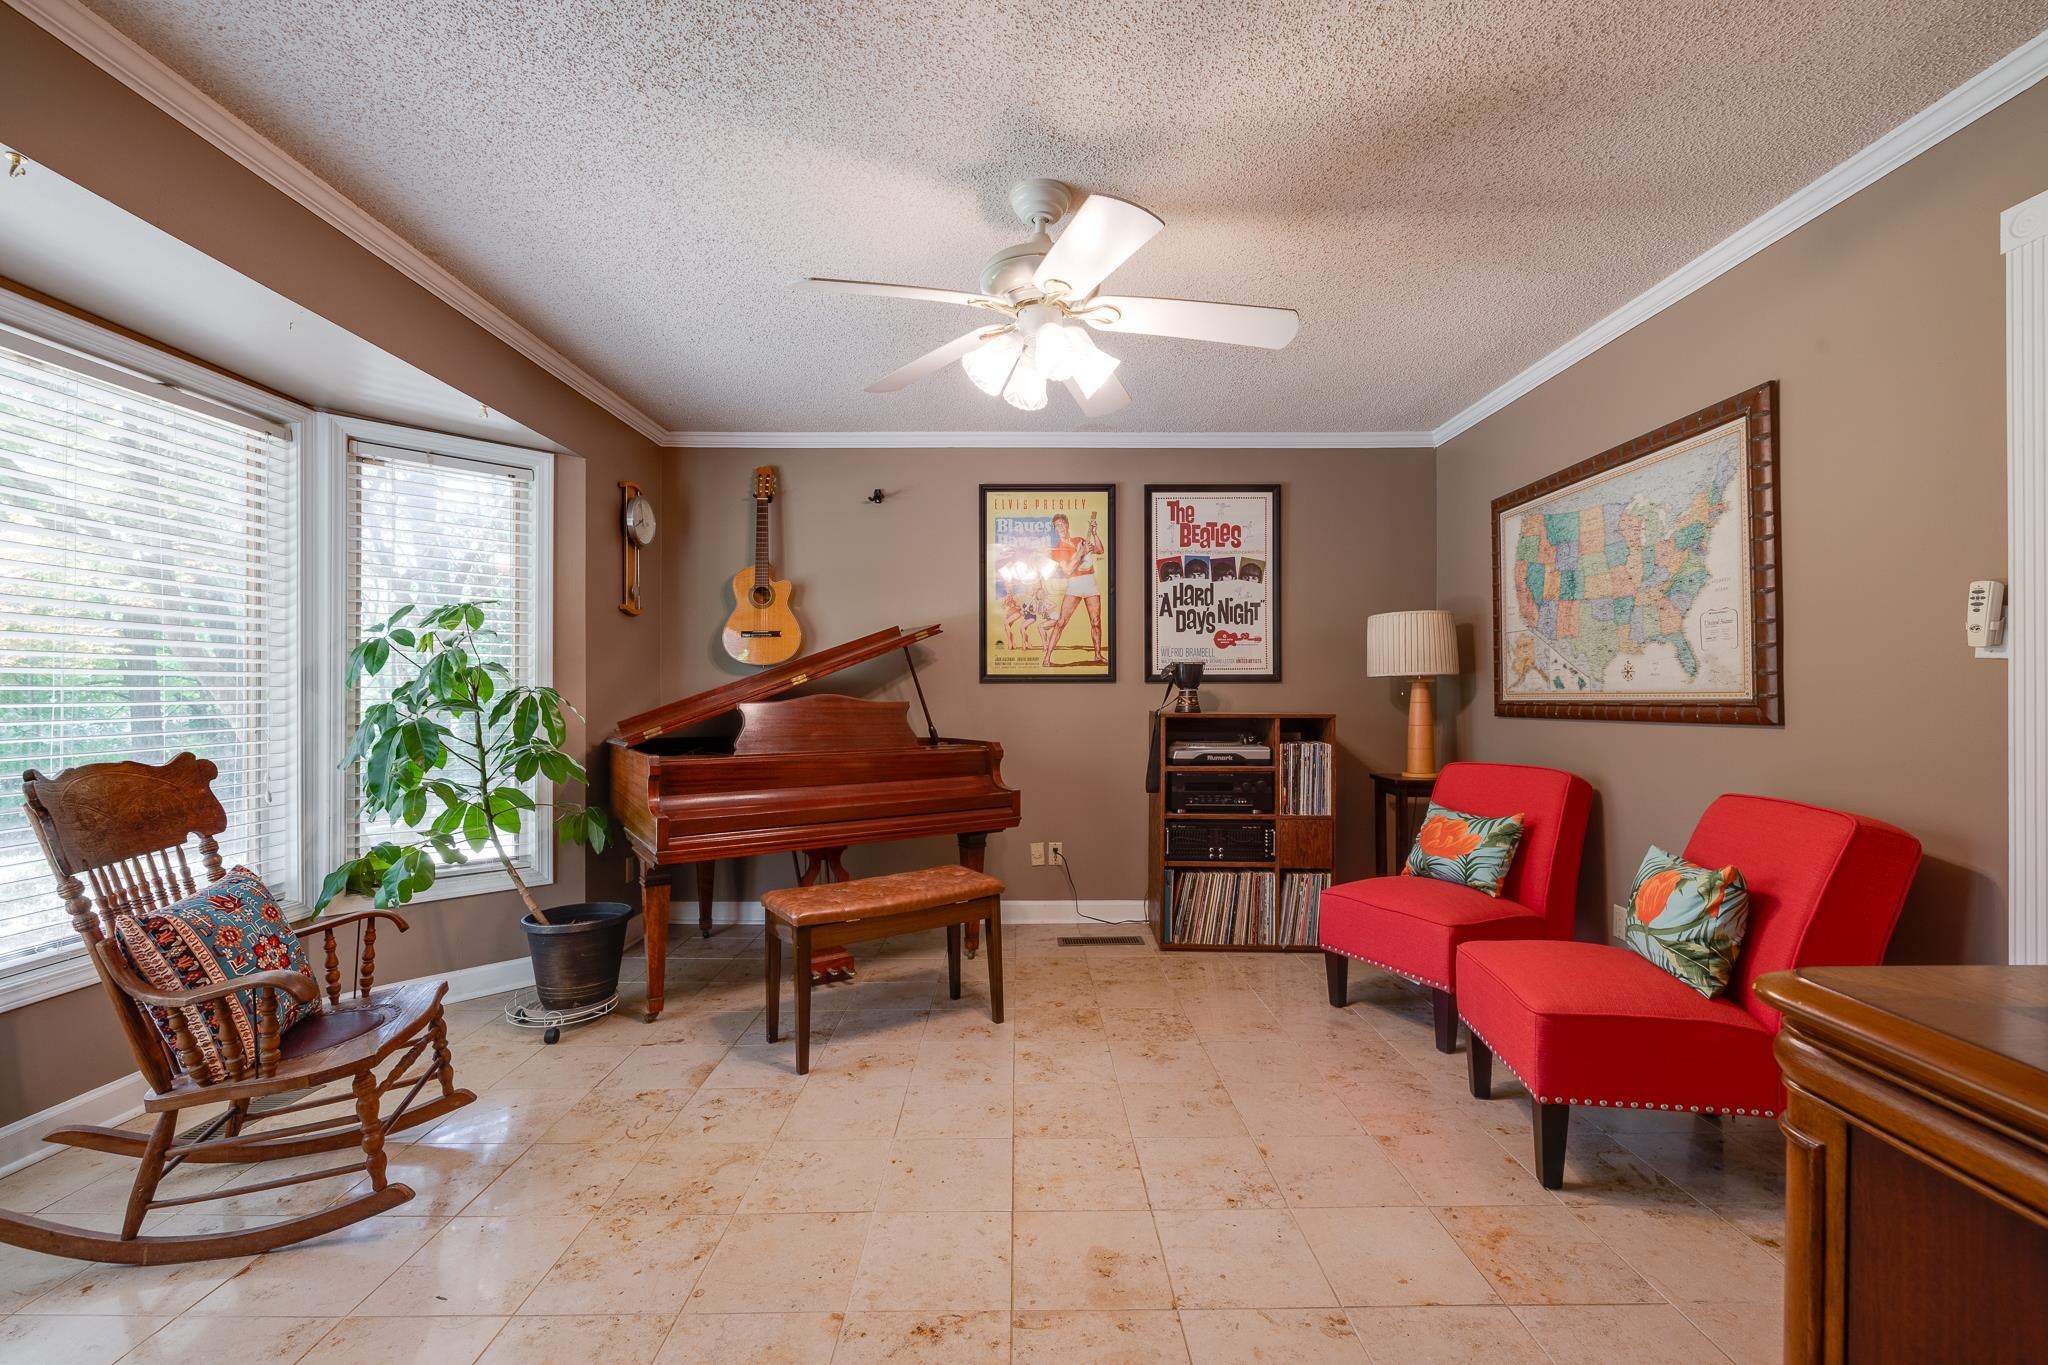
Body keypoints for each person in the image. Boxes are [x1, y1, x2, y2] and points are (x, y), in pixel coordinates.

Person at [1040, 510, 1106, 668]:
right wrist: (1079, 553)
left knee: (1096, 621)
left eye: (1062, 524)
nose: (1060, 527)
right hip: (1075, 583)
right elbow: (1068, 569)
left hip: (1090, 582)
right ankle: (1047, 658)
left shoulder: (1080, 540)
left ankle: (1097, 655)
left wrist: (1095, 534)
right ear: (1055, 530)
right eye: (1057, 526)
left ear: (1067, 525)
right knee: (1061, 622)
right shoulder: (1059, 549)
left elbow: (1100, 550)